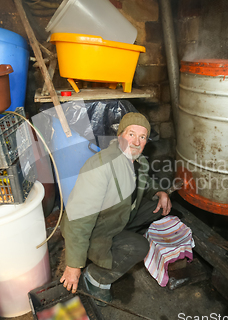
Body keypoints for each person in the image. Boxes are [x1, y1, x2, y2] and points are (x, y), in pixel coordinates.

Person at [59, 112, 172, 305]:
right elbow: (80, 218)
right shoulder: (102, 166)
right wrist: (73, 265)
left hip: (117, 216)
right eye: (131, 134)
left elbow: (142, 182)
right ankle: (96, 277)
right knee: (140, 247)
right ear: (119, 136)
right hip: (95, 229)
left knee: (157, 205)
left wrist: (160, 192)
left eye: (142, 137)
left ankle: (121, 235)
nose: (136, 142)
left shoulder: (137, 161)